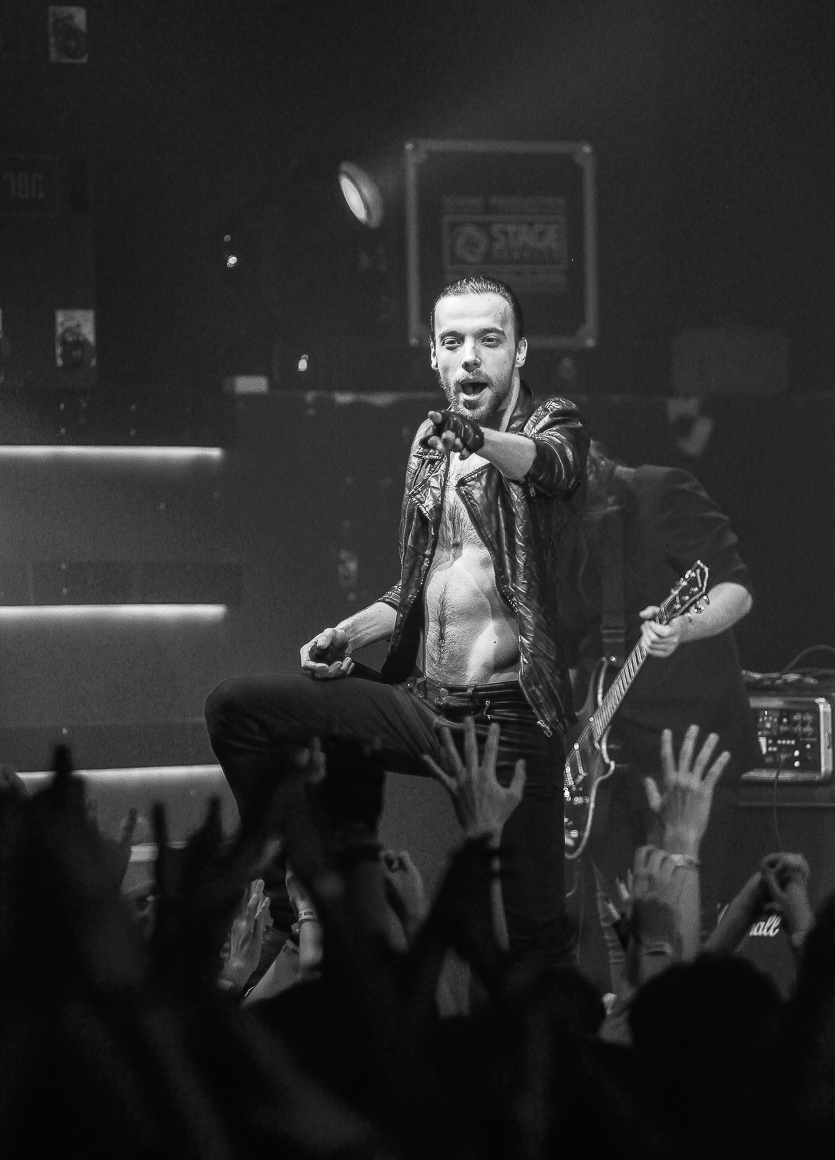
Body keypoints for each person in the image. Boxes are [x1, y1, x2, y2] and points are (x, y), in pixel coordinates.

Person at [206, 275, 589, 968]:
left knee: (533, 939)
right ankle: (300, 907)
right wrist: (346, 634)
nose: (470, 356)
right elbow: (418, 586)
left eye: (489, 340)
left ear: (520, 352)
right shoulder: (431, 444)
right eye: (453, 341)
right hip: (426, 707)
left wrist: (479, 439)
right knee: (239, 709)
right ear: (434, 357)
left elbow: (551, 469)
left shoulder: (552, 425)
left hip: (510, 720)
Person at [556, 441, 755, 983]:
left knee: (682, 929)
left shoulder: (660, 492)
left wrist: (683, 627)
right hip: (606, 766)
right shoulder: (555, 542)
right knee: (620, 932)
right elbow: (572, 654)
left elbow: (735, 589)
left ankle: (678, 1028)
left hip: (685, 754)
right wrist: (569, 743)